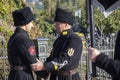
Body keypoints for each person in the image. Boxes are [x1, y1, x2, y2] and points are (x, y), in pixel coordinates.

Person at [31, 8, 83, 80]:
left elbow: (64, 60)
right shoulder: (59, 40)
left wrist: (44, 66)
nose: (56, 26)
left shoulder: (74, 39)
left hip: (68, 77)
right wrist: (40, 68)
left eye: (58, 24)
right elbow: (52, 58)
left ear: (66, 24)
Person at [7, 7, 43, 80]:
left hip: (13, 75)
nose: (32, 25)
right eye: (31, 23)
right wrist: (44, 73)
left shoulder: (12, 38)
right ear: (25, 23)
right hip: (23, 76)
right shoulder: (24, 40)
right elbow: (33, 63)